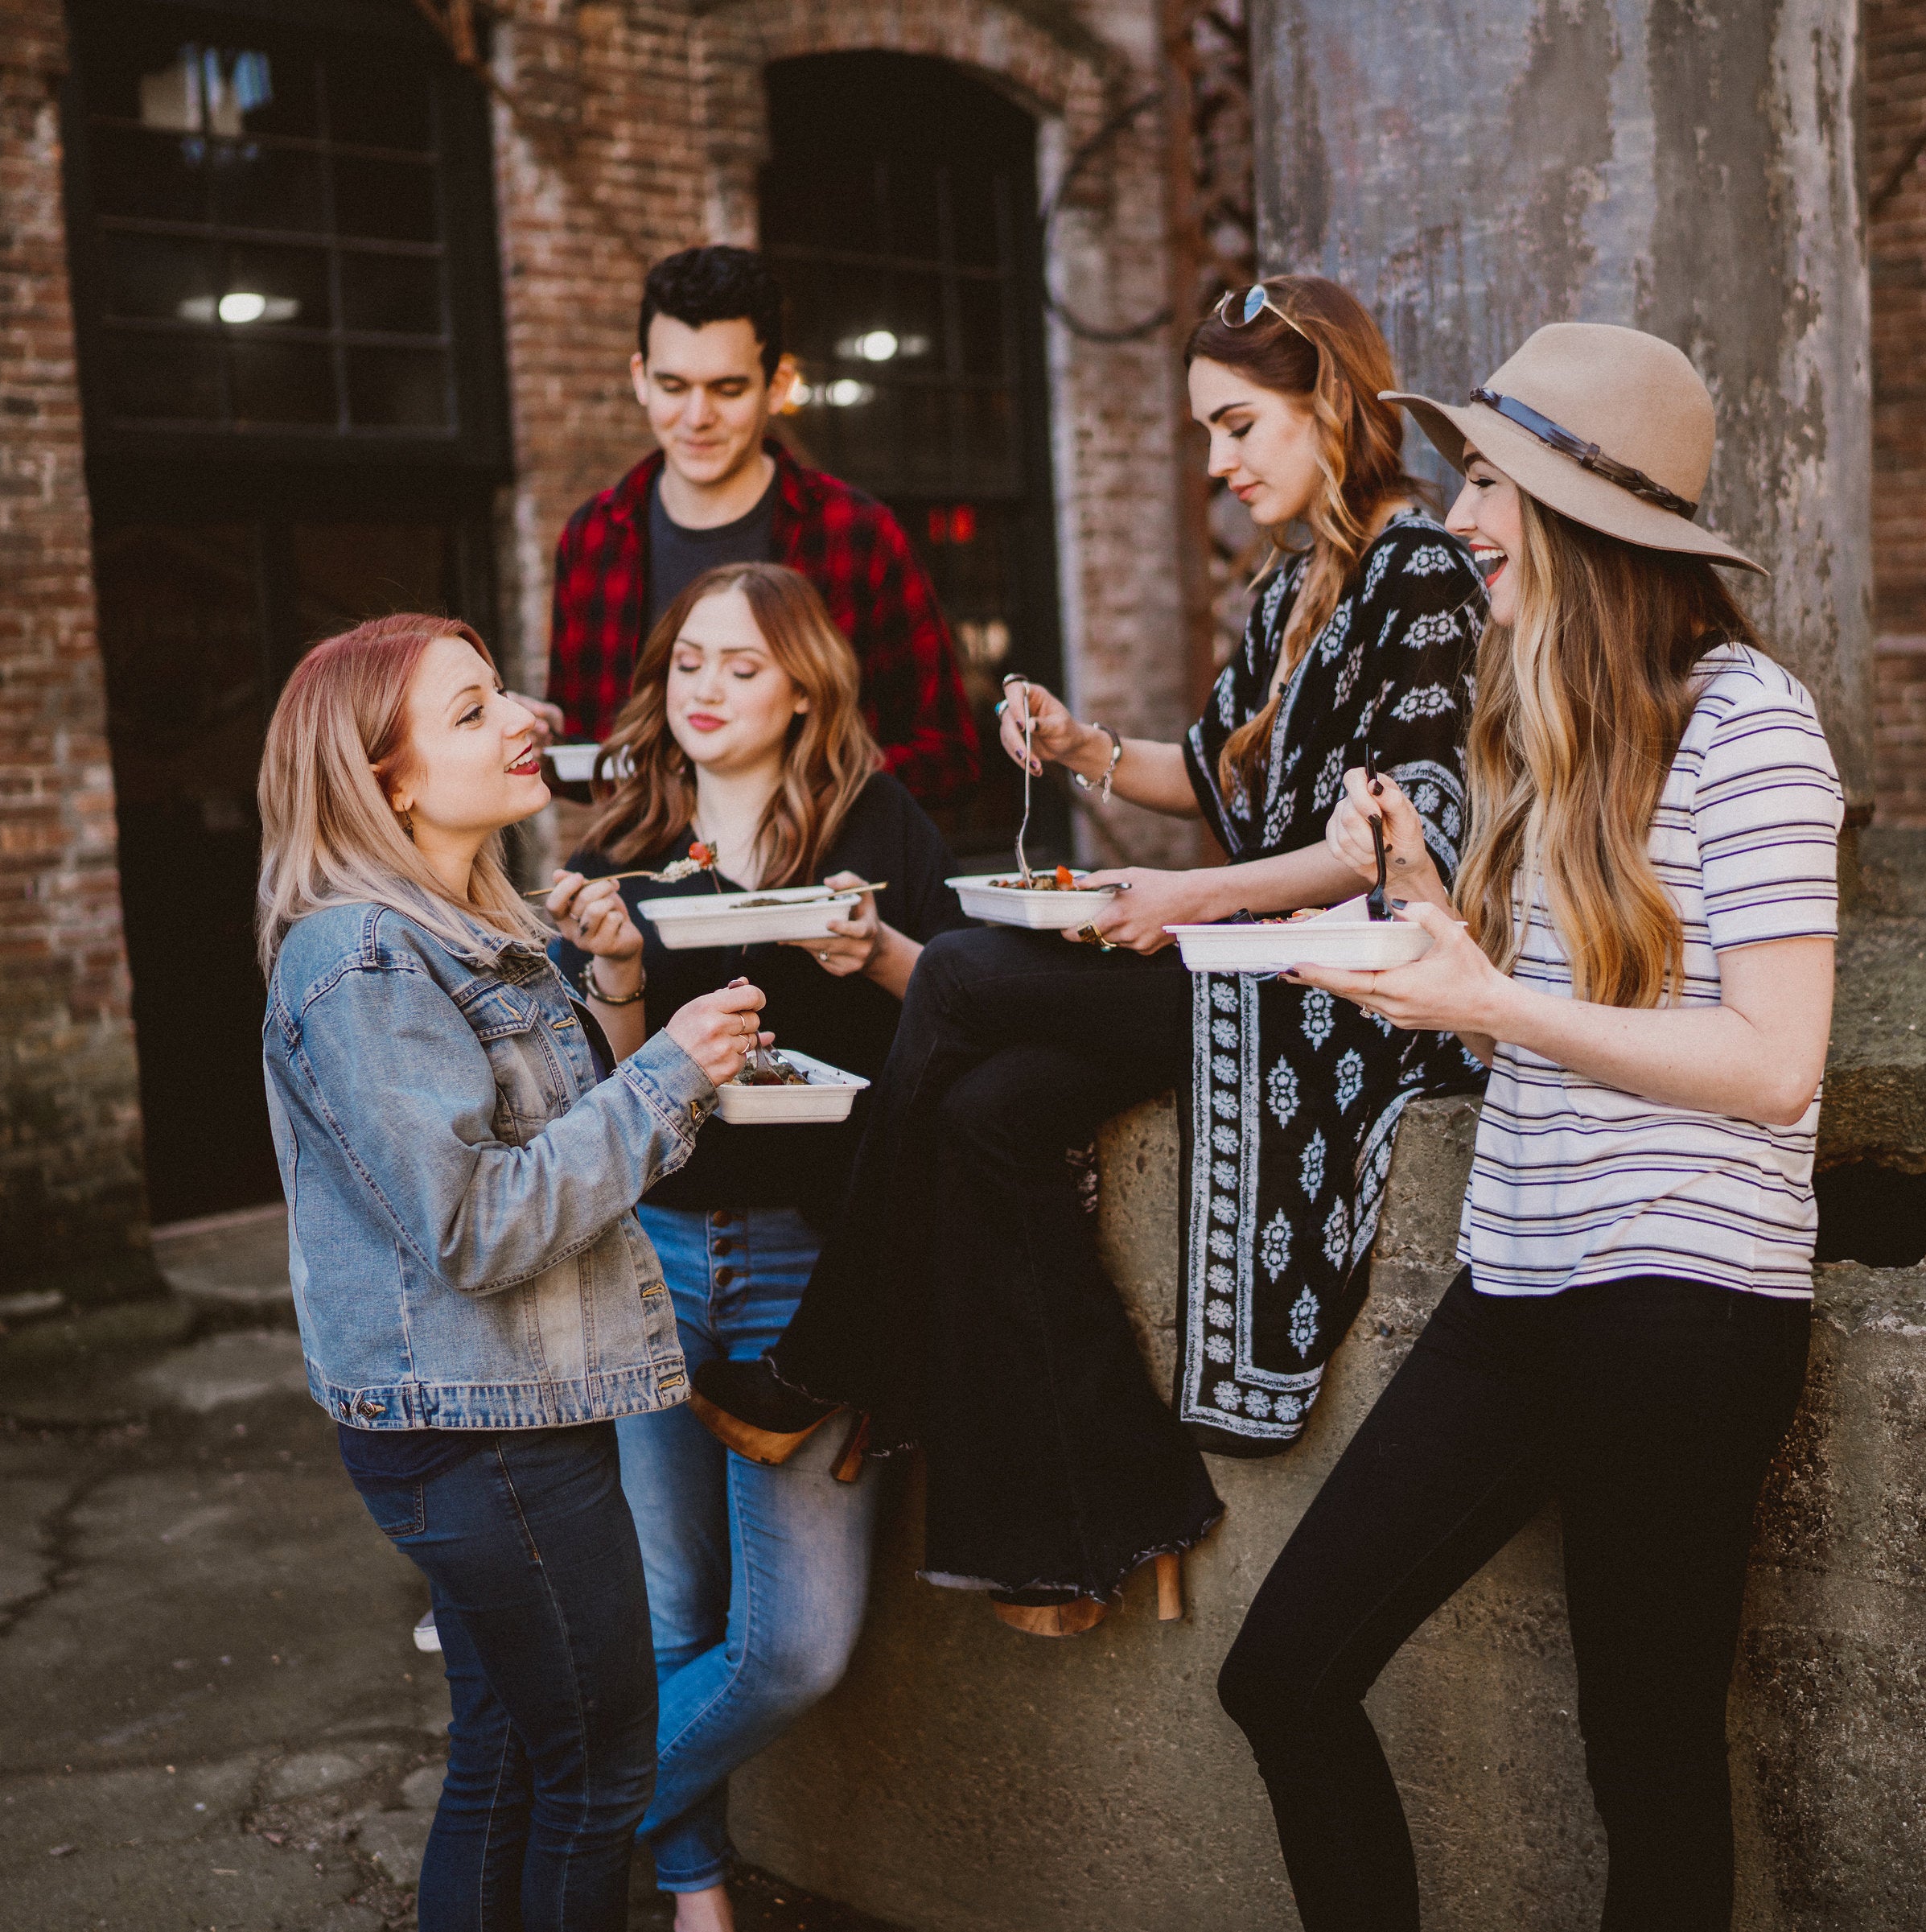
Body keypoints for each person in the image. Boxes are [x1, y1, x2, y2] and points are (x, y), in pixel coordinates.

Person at [690, 274, 1490, 1633]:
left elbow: (1399, 829)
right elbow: (1216, 766)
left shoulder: (1424, 570)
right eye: (1207, 434)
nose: (1220, 463)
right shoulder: (1296, 578)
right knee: (991, 1115)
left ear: (1333, 406)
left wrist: (1189, 900)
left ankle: (830, 1351)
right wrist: (1083, 750)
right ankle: (1103, 1509)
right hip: (1242, 956)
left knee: (951, 972)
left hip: (1340, 992)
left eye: (1239, 426)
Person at [1212, 325, 1845, 1932]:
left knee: (1645, 1766)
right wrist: (1425, 919)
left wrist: (1491, 1008)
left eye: (1492, 475)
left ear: (1579, 510)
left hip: (1689, 1304)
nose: (1460, 507)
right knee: (1284, 1675)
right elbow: (1543, 1003)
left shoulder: (1752, 726)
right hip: (1524, 1284)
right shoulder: (1541, 721)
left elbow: (1775, 1065)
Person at [255, 614, 772, 1932]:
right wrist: (674, 1074)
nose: (523, 721)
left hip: (514, 1411)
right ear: (392, 781)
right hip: (478, 1436)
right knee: (598, 1776)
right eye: (473, 710)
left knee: (506, 1756)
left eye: (505, 694)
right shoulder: (362, 957)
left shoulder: (472, 925)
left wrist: (611, 983)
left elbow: (560, 1136)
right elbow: (482, 1222)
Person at [540, 562, 969, 1927]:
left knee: (793, 1646)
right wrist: (613, 972)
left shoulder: (875, 825)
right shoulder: (618, 850)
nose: (708, 690)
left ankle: (551, 1820)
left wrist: (880, 951)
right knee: (675, 1615)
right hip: (651, 1252)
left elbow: (962, 1013)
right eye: (688, 665)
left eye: (741, 666)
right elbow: (600, 1097)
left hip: (812, 1259)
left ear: (802, 686)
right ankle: (696, 1888)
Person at [548, 244, 980, 806]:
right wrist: (544, 745)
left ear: (777, 385)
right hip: (648, 887)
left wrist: (798, 783)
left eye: (728, 389)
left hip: (818, 886)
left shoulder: (857, 533)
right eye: (674, 386)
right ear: (641, 378)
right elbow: (585, 766)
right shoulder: (594, 539)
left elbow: (950, 757)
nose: (697, 417)